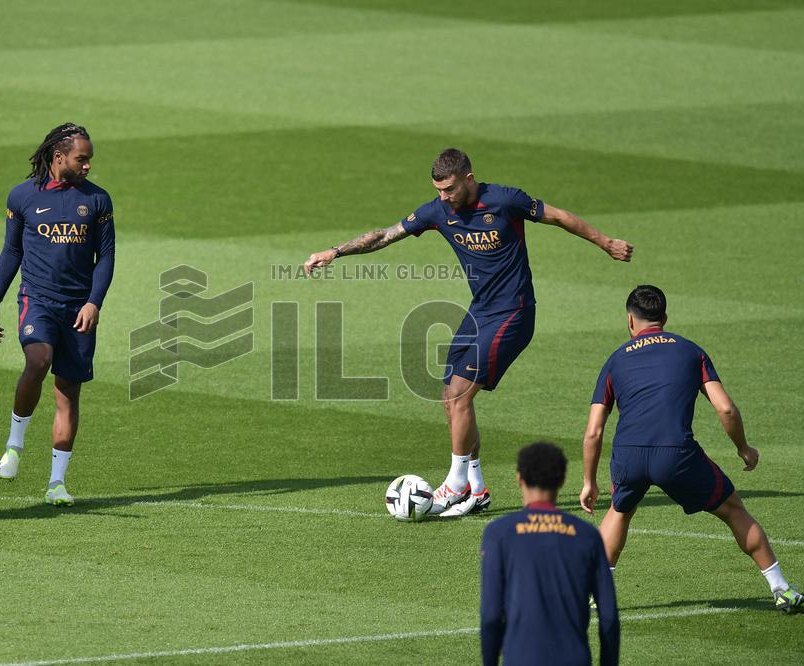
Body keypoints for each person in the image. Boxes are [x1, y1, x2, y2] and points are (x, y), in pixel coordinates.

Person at [304, 148, 633, 515]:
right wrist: (334, 252)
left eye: (449, 189)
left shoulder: (505, 200)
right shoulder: (437, 211)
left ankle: (454, 484)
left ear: (468, 179)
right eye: (438, 190)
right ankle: (476, 488)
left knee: (460, 394)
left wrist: (605, 243)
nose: (443, 197)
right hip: (480, 312)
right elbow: (384, 236)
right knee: (449, 393)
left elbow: (559, 217)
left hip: (514, 315)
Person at [580, 285, 803, 612]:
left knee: (620, 510)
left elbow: (593, 432)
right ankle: (781, 588)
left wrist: (589, 481)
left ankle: (592, 595)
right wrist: (743, 448)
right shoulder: (690, 351)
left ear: (630, 321)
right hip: (676, 454)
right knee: (733, 510)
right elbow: (725, 408)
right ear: (665, 318)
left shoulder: (615, 360)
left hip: (629, 454)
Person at [0, 123, 116, 506]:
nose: (88, 166)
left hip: (78, 308)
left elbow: (105, 256)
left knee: (67, 393)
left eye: (89, 159)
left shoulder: (98, 201)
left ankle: (57, 482)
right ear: (60, 157)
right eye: (82, 158)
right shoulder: (23, 196)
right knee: (38, 360)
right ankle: (15, 444)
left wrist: (94, 303)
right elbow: (11, 253)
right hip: (37, 299)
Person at [480, 442, 618, 666]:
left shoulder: (499, 534)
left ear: (519, 479)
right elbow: (609, 617)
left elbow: (491, 617)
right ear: (562, 480)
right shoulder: (587, 535)